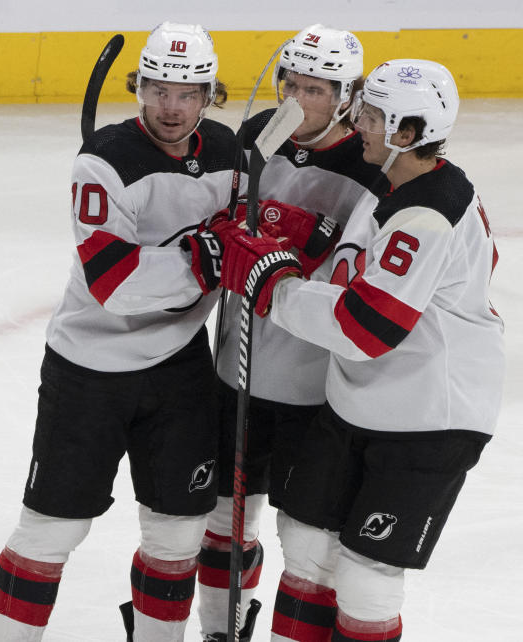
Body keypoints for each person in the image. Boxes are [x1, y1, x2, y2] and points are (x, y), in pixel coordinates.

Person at [217, 59, 504, 641]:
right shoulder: (397, 184)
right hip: (356, 402)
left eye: (372, 117)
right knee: (306, 547)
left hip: (429, 420)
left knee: (367, 580)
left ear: (406, 134)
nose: (358, 124)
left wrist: (275, 286)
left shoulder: (427, 214)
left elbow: (365, 328)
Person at [0, 22, 238, 642]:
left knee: (179, 534)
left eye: (187, 92)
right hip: (88, 371)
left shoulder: (232, 157)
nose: (171, 107)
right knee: (52, 530)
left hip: (180, 368)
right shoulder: (103, 162)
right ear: (138, 87)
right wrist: (204, 258)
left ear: (209, 94)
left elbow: (244, 237)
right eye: (157, 90)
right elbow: (115, 284)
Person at [196, 25, 389, 640]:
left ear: (345, 97)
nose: (296, 99)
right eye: (290, 83)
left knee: (308, 543)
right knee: (226, 520)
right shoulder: (259, 136)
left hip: (317, 388)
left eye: (314, 89)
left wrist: (295, 237)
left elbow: (354, 276)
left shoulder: (372, 166)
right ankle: (219, 631)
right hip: (238, 373)